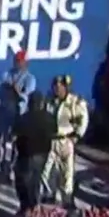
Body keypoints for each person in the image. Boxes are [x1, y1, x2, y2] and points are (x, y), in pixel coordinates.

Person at [41, 75, 89, 206]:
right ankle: (49, 194)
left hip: (66, 140)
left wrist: (77, 135)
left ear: (65, 87)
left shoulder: (74, 102)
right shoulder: (49, 101)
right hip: (51, 140)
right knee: (47, 171)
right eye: (55, 86)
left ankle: (67, 199)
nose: (57, 89)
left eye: (60, 86)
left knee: (67, 172)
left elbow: (83, 118)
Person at [0, 52, 36, 178]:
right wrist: (6, 88)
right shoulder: (7, 74)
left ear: (26, 63)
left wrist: (16, 90)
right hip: (4, 112)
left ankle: (12, 167)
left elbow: (27, 95)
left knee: (14, 142)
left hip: (19, 114)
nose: (18, 63)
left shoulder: (30, 78)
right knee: (0, 140)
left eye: (21, 61)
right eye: (16, 60)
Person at [12, 92, 51, 211]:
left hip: (26, 155)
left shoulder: (23, 119)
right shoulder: (49, 118)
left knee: (23, 183)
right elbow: (54, 131)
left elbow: (14, 134)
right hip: (43, 155)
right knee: (36, 182)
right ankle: (34, 208)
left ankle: (26, 208)